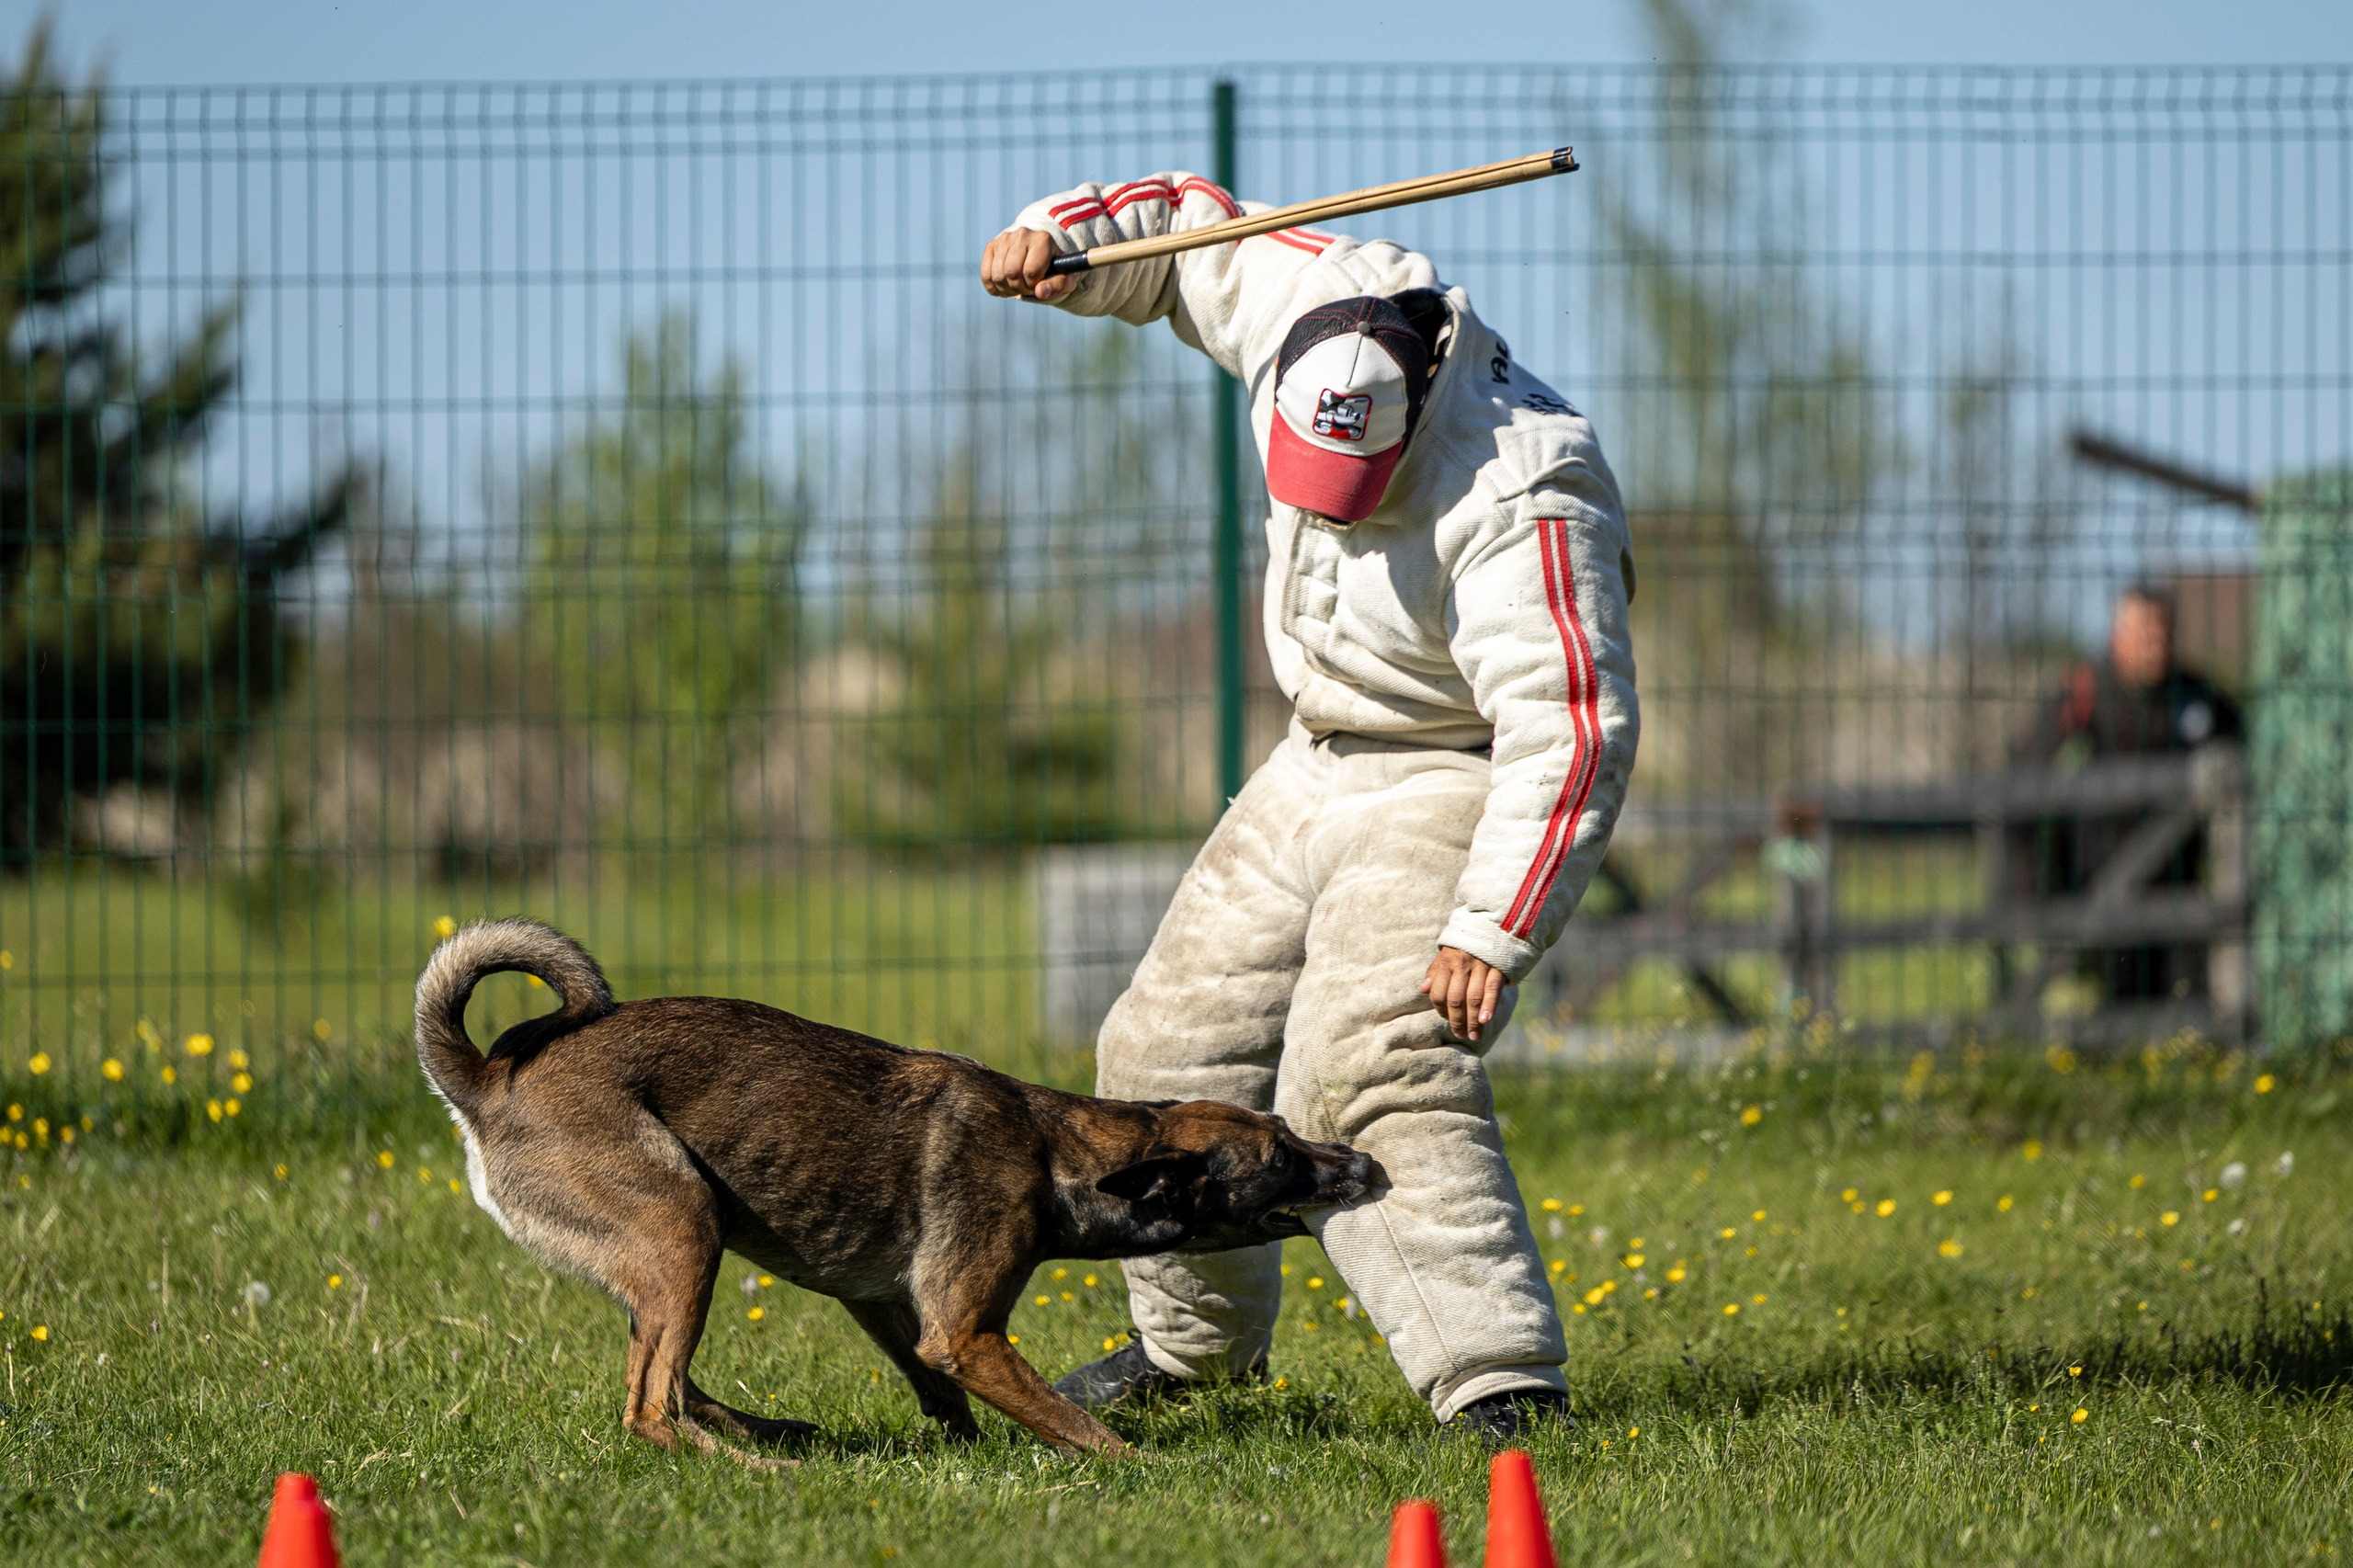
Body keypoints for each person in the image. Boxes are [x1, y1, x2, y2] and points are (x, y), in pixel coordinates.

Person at [979, 172, 1638, 1439]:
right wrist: (1061, 244)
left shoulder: (1525, 492)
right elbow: (1180, 229)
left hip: (1451, 767)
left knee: (1369, 1069)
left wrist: (1492, 926)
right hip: (1312, 755)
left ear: (1410, 422)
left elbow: (1574, 727)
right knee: (1157, 1053)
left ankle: (1500, 1383)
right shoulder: (1308, 298)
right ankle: (1195, 1356)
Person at [2018, 583, 2243, 1002]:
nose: (2154, 642)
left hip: (2182, 894)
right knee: (2108, 1013)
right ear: (2115, 635)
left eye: (2163, 630)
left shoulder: (2200, 699)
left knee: (2189, 1011)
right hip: (2097, 893)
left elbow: (2244, 760)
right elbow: (2023, 786)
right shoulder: (2082, 698)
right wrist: (2037, 900)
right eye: (2142, 631)